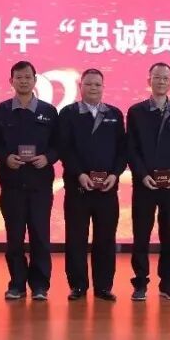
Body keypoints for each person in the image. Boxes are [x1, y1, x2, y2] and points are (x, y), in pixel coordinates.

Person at [0, 61, 60, 301]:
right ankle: (17, 284)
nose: (24, 81)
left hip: (40, 186)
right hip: (12, 185)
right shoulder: (1, 111)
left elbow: (60, 144)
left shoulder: (49, 112)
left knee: (40, 236)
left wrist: (48, 158)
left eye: (28, 77)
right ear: (12, 81)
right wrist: (5, 158)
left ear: (35, 80)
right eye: (19, 77)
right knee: (14, 238)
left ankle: (40, 285)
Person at [58, 68, 127, 302]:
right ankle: (78, 285)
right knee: (76, 238)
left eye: (97, 84)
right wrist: (79, 174)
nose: (93, 88)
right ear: (81, 87)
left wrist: (115, 174)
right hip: (78, 188)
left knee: (105, 239)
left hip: (107, 189)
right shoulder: (68, 113)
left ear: (103, 87)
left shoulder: (114, 114)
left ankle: (103, 286)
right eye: (88, 84)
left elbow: (122, 150)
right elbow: (64, 148)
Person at [126, 62, 170, 302]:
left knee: (169, 233)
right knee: (141, 234)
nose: (161, 81)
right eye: (157, 77)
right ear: (149, 81)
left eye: (165, 78)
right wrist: (142, 174)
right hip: (144, 184)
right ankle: (140, 282)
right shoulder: (136, 111)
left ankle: (167, 282)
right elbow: (131, 148)